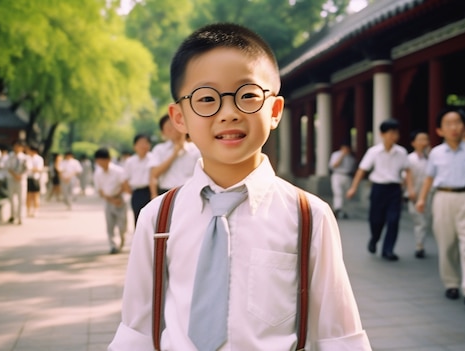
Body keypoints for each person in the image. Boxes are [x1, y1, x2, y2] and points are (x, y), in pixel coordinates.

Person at [108, 23, 372, 350]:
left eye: (247, 95)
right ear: (179, 118)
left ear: (275, 110)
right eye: (206, 98)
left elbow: (339, 336)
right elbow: (136, 331)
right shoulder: (158, 218)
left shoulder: (309, 216)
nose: (229, 113)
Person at [415, 107, 465, 306]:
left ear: (463, 126)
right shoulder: (436, 153)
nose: (453, 127)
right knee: (447, 244)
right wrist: (422, 199)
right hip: (443, 198)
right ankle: (451, 284)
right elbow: (429, 178)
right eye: (448, 124)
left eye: (457, 122)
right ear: (440, 130)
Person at [346, 119, 412, 261]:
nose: (393, 136)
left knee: (393, 220)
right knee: (376, 219)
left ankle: (388, 250)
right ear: (382, 134)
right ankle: (374, 238)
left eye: (396, 133)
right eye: (390, 133)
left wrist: (410, 190)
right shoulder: (374, 152)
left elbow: (408, 171)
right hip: (378, 188)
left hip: (395, 189)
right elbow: (362, 170)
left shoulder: (401, 152)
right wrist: (353, 188)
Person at [148, 114, 200, 198]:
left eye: (176, 125)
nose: (174, 130)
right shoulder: (159, 150)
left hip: (191, 193)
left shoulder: (196, 149)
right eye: (169, 128)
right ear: (163, 132)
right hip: (166, 193)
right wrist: (174, 154)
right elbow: (154, 174)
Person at [93, 148, 127, 255]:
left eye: (102, 160)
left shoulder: (118, 171)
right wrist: (111, 200)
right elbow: (100, 190)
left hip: (120, 199)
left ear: (108, 160)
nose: (100, 163)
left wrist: (117, 197)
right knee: (110, 225)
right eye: (98, 161)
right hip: (108, 200)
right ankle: (112, 245)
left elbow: (124, 185)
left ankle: (122, 239)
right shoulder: (98, 173)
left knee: (122, 224)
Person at [406, 131, 431, 258]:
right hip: (414, 195)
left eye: (425, 139)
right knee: (420, 221)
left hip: (429, 195)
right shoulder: (409, 159)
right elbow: (405, 177)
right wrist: (410, 190)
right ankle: (419, 245)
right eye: (420, 139)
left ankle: (420, 243)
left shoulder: (431, 158)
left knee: (425, 220)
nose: (423, 142)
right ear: (413, 143)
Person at [122, 134, 153, 225]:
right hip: (137, 193)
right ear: (135, 146)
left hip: (151, 191)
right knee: (138, 218)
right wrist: (130, 191)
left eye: (146, 143)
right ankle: (140, 239)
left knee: (152, 219)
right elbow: (125, 179)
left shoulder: (153, 158)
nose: (143, 146)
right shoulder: (130, 161)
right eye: (140, 143)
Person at [328, 143, 356, 219]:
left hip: (347, 176)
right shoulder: (335, 155)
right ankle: (337, 209)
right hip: (337, 175)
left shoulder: (351, 158)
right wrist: (342, 156)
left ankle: (344, 211)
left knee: (345, 195)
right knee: (338, 193)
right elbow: (334, 165)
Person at [6, 140, 28, 225]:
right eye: (15, 146)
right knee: (11, 198)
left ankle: (20, 217)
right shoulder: (10, 156)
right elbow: (8, 167)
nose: (17, 148)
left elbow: (27, 168)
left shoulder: (25, 157)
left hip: (21, 180)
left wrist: (20, 175)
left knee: (21, 199)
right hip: (11, 179)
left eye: (19, 146)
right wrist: (15, 175)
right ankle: (13, 215)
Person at [26, 145, 44, 218]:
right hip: (28, 178)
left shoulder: (39, 159)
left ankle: (36, 210)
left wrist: (31, 169)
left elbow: (39, 169)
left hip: (35, 179)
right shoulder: (27, 158)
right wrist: (32, 169)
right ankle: (28, 210)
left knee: (36, 195)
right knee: (28, 196)